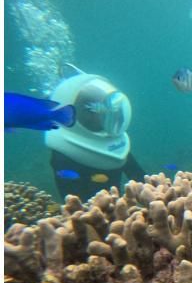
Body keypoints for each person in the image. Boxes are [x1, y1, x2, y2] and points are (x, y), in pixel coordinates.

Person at [45, 65, 145, 200]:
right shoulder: (63, 154)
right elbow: (74, 202)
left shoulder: (115, 141)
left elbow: (141, 180)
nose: (97, 115)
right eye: (88, 110)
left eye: (100, 110)